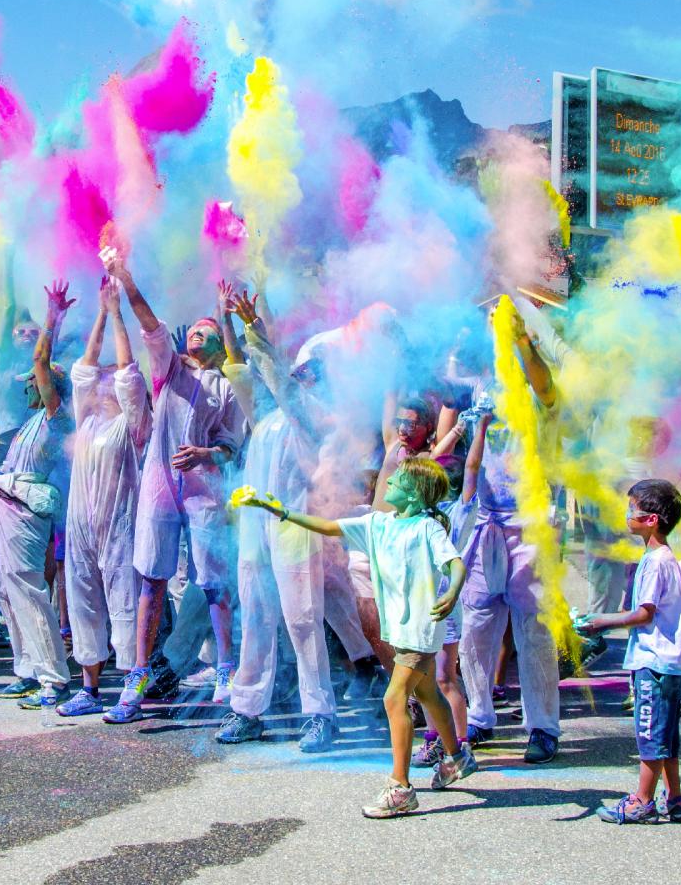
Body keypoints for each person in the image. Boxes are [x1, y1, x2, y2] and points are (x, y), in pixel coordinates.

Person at [240, 456, 477, 817]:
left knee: (395, 699)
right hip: (401, 629)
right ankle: (457, 758)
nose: (389, 483)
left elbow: (455, 564)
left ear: (414, 496)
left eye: (397, 482)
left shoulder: (428, 528)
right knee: (427, 693)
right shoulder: (377, 524)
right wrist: (281, 512)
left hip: (421, 629)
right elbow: (328, 526)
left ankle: (400, 787)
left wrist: (453, 590)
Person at [101, 249, 246, 724]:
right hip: (160, 488)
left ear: (219, 346)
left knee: (214, 581)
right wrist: (126, 279)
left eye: (209, 329)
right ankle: (137, 676)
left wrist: (207, 454)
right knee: (151, 580)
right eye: (196, 328)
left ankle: (226, 668)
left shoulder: (225, 387)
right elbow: (151, 326)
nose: (198, 331)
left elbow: (230, 445)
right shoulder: (170, 372)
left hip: (205, 489)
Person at [217, 292, 337, 753]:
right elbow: (239, 369)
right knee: (256, 616)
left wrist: (257, 331)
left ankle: (320, 714)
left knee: (304, 617)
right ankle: (247, 708)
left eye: (309, 374)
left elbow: (281, 384)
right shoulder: (264, 417)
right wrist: (231, 320)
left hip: (293, 526)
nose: (300, 378)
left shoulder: (311, 418)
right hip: (255, 530)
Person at [458, 306, 563, 764]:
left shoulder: (536, 378)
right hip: (485, 521)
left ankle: (542, 727)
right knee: (476, 626)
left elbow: (546, 388)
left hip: (531, 521)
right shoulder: (482, 381)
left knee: (534, 631)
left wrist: (522, 339)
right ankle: (479, 718)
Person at [57, 277, 150, 716]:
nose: (102, 383)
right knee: (81, 597)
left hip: (120, 524)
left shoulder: (130, 427)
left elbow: (130, 376)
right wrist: (98, 310)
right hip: (80, 524)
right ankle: (89, 688)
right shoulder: (87, 422)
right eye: (101, 381)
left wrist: (117, 314)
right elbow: (83, 370)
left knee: (124, 601)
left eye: (109, 381)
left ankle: (132, 687)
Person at [579, 479, 681, 824]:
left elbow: (644, 613)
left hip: (653, 662)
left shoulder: (656, 562)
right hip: (668, 663)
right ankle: (674, 797)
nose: (627, 515)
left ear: (652, 519)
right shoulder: (663, 557)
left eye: (632, 509)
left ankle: (642, 800)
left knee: (649, 733)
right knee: (666, 734)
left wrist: (600, 621)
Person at [0, 280, 74, 709]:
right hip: (7, 505)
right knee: (7, 590)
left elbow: (41, 359)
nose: (31, 385)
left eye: (39, 383)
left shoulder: (59, 418)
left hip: (25, 509)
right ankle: (26, 669)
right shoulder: (31, 421)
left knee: (27, 587)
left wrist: (52, 316)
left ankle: (54, 678)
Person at [414, 411, 488, 770]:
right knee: (425, 677)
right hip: (423, 605)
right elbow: (428, 462)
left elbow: (472, 468)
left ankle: (458, 743)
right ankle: (434, 738)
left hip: (446, 605)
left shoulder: (460, 513)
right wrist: (457, 430)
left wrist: (480, 429)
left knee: (445, 676)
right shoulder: (425, 511)